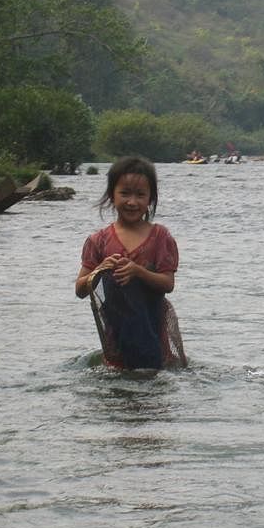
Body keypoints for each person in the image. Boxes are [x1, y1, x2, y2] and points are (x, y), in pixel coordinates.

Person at [75, 156, 182, 369]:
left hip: (153, 341)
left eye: (140, 195)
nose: (132, 202)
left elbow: (167, 284)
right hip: (116, 342)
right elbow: (80, 289)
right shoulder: (98, 241)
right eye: (124, 193)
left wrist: (138, 272)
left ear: (151, 199)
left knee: (150, 389)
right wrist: (99, 269)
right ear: (112, 195)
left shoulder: (160, 237)